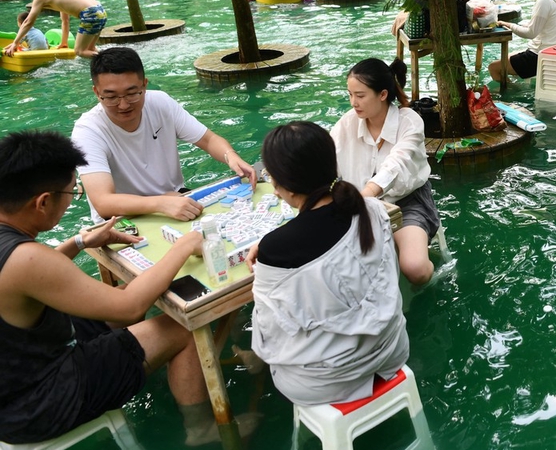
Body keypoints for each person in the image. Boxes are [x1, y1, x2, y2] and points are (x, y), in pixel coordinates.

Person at [0, 129, 224, 446]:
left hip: (21, 370)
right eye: (70, 194)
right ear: (42, 202)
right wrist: (185, 245)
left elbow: (20, 279)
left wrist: (79, 242)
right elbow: (131, 306)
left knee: (122, 299)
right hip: (36, 402)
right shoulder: (27, 259)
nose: (69, 202)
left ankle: (163, 371)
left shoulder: (15, 249)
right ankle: (200, 430)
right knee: (182, 326)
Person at [246, 121, 409, 405]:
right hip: (391, 347)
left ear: (283, 185)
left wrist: (268, 248)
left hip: (326, 381)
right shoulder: (369, 208)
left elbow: (268, 334)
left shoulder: (277, 250)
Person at [71, 48, 257, 222]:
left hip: (175, 199)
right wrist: (160, 202)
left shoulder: (160, 103)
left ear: (144, 84)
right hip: (120, 219)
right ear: (96, 93)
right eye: (111, 97)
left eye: (132, 93)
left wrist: (230, 156)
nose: (123, 105)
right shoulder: (87, 131)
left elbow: (208, 140)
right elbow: (103, 202)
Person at [330, 58, 440, 285]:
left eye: (360, 96)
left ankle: (436, 271)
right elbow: (326, 159)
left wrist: (361, 198)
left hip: (405, 202)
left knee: (416, 269)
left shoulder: (409, 121)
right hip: (359, 203)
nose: (353, 102)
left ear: (382, 94)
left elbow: (395, 165)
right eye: (350, 95)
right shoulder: (347, 123)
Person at [488, 0, 556, 83]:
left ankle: (510, 94)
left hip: (540, 56)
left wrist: (509, 25)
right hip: (554, 50)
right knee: (505, 58)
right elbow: (540, 27)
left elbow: (530, 33)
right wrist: (518, 25)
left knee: (493, 68)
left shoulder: (544, 1)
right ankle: (519, 85)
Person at [3, 0, 105, 58]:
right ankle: (108, 60)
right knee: (90, 49)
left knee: (79, 51)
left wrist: (15, 43)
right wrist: (64, 42)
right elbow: (65, 20)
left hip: (90, 14)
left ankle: (111, 61)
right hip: (100, 10)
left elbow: (28, 22)